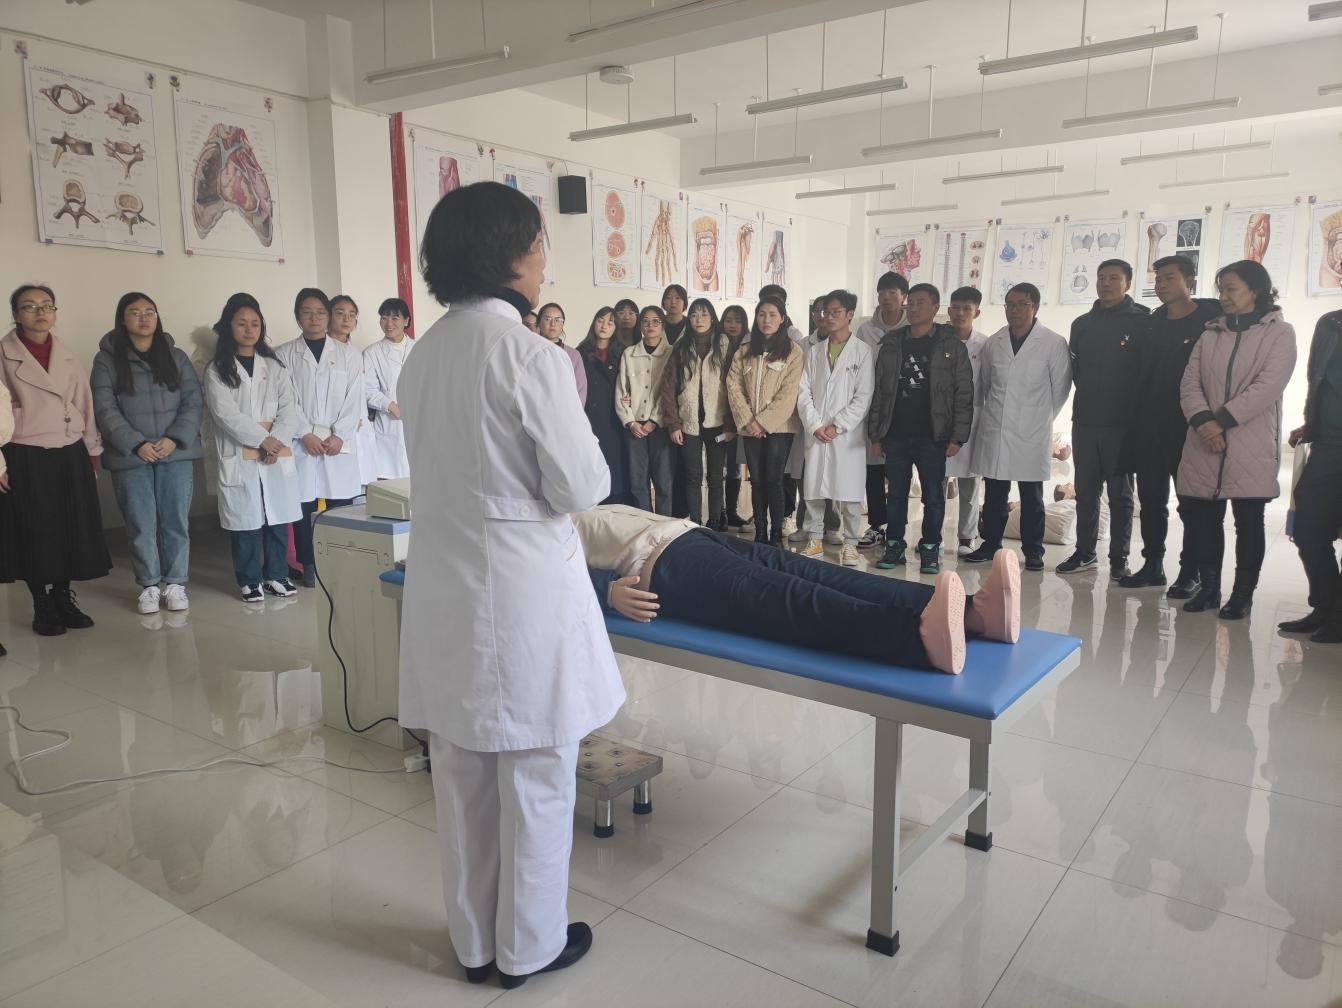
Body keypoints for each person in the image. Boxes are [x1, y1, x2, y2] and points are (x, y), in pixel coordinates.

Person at [398, 180, 619, 988]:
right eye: (537, 245)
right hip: (521, 594)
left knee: (460, 775)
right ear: (509, 257)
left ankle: (474, 945)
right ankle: (529, 947)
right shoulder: (529, 354)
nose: (542, 260)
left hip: (445, 589)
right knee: (536, 774)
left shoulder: (424, 354)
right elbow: (582, 485)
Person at [577, 504, 1026, 677]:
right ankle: (916, 639)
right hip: (663, 569)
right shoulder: (537, 525)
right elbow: (543, 581)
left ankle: (976, 614)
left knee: (818, 573)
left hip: (688, 536)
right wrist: (605, 593)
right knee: (786, 598)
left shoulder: (565, 498)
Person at [1177, 260, 1296, 620]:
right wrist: (1204, 423)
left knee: (1248, 521)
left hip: (1250, 441)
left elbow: (1268, 386)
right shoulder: (1211, 333)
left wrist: (1221, 422)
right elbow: (1189, 383)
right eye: (1221, 289)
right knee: (1204, 519)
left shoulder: (1279, 333)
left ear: (1255, 290)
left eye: (1231, 288)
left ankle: (1242, 595)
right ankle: (1210, 589)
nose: (1224, 296)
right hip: (1204, 440)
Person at [0, 284, 110, 637]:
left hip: (68, 448)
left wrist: (91, 452)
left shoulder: (66, 355)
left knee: (68, 526)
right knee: (35, 529)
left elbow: (85, 405)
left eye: (47, 305)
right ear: (15, 314)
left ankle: (63, 597)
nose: (40, 312)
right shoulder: (4, 354)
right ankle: (42, 604)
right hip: (24, 451)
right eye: (29, 306)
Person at [90, 292, 203, 614]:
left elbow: (193, 401)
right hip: (131, 456)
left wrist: (173, 439)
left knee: (175, 521)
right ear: (122, 319)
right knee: (140, 523)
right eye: (135, 312)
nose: (144, 318)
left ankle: (176, 583)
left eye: (149, 311)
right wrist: (136, 443)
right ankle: (150, 586)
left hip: (174, 453)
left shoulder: (176, 356)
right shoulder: (106, 360)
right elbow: (104, 407)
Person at [1124, 256, 1222, 592]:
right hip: (1149, 425)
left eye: (1169, 278)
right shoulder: (1151, 324)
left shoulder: (1210, 322)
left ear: (1190, 281)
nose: (1161, 285)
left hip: (1190, 427)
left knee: (1190, 504)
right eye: (1158, 279)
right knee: (1151, 502)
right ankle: (1152, 564)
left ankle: (1190, 571)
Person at [963, 283, 1072, 571]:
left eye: (1021, 304)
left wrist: (1037, 418)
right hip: (997, 427)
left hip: (1032, 431)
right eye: (1009, 304)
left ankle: (1033, 551)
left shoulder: (1053, 343)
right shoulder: (994, 342)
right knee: (995, 493)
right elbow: (986, 385)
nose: (1014, 310)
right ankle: (990, 544)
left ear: (1034, 306)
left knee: (1031, 496)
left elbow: (1060, 389)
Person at [202, 293, 303, 603]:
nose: (249, 330)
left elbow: (290, 410)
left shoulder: (274, 367)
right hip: (241, 453)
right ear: (228, 327)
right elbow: (225, 414)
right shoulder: (217, 370)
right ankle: (249, 579)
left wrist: (276, 442)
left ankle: (276, 575)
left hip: (275, 453)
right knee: (245, 521)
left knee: (277, 517)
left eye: (255, 324)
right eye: (242, 323)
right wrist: (263, 440)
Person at [867, 283, 972, 575]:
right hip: (896, 434)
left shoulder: (951, 345)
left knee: (933, 497)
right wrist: (876, 433)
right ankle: (894, 545)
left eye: (920, 302)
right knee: (896, 495)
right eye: (910, 303)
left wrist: (958, 436)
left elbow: (963, 393)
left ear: (935, 308)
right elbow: (880, 392)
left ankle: (930, 548)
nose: (913, 308)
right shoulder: (892, 343)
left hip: (933, 435)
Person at [1058, 259, 1149, 578]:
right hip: (1085, 419)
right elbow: (1076, 370)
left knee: (1121, 494)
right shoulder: (1082, 324)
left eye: (1114, 278)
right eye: (1101, 278)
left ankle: (1119, 558)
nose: (1106, 284)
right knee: (1086, 491)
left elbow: (1146, 372)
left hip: (1123, 424)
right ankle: (1085, 553)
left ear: (1128, 283)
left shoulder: (1142, 322)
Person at [275, 288, 365, 588]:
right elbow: (286, 399)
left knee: (342, 502)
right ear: (297, 317)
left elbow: (355, 398)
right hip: (303, 441)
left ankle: (342, 559)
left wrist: (340, 435)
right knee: (305, 504)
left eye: (320, 312)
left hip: (338, 440)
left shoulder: (349, 355)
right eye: (307, 312)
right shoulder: (283, 355)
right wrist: (304, 433)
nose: (313, 318)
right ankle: (309, 563)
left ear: (328, 317)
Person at [796, 290, 874, 567]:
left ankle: (851, 543)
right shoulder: (814, 352)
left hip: (846, 436)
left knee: (850, 493)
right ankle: (815, 539)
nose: (828, 317)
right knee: (814, 490)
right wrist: (815, 424)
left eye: (835, 312)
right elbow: (803, 392)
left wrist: (838, 426)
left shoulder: (862, 352)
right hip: (817, 432)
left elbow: (863, 396)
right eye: (825, 312)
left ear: (850, 314)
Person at [1280, 307, 1342, 643]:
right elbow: (1316, 381)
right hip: (1329, 443)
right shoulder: (1330, 323)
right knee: (1307, 528)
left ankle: (1338, 616)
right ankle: (1325, 607)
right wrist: (1311, 423)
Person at [727, 295, 803, 546]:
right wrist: (748, 421)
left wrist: (762, 423)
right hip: (749, 428)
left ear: (782, 319)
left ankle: (775, 535)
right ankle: (760, 532)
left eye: (772, 315)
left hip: (779, 427)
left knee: (774, 480)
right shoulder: (745, 351)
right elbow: (733, 387)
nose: (766, 320)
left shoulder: (793, 352)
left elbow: (789, 393)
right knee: (757, 481)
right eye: (761, 314)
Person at [659, 298, 735, 529]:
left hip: (718, 422)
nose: (698, 319)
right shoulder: (681, 347)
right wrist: (673, 424)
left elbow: (733, 386)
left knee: (715, 477)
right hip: (688, 422)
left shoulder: (725, 345)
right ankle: (695, 523)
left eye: (704, 314)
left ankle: (714, 523)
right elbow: (668, 388)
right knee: (693, 477)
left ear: (712, 318)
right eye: (693, 315)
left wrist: (731, 424)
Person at [856, 272, 909, 550]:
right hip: (873, 407)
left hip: (904, 408)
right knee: (873, 469)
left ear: (903, 296)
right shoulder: (865, 330)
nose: (886, 298)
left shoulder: (913, 327)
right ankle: (876, 525)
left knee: (898, 471)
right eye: (882, 293)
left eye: (892, 292)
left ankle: (897, 528)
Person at [943, 287, 990, 557]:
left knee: (970, 482)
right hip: (940, 418)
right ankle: (933, 534)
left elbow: (988, 384)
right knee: (935, 480)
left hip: (972, 418)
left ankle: (967, 537)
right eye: (956, 307)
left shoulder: (985, 345)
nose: (960, 313)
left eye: (967, 309)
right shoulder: (938, 340)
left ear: (977, 312)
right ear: (949, 310)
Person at [616, 306, 674, 514]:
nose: (650, 325)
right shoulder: (629, 354)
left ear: (662, 326)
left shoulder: (671, 353)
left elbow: (669, 392)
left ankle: (664, 526)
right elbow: (621, 391)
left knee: (663, 481)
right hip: (635, 427)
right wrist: (630, 422)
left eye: (655, 321)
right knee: (638, 482)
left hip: (660, 426)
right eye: (646, 321)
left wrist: (654, 420)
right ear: (640, 326)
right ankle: (644, 523)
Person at [578, 307, 631, 505]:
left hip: (614, 418)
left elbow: (630, 384)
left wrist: (630, 397)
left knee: (615, 468)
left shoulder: (623, 353)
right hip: (589, 418)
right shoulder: (581, 352)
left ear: (615, 328)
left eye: (610, 322)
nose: (604, 326)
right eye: (600, 320)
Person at [362, 297, 413, 481]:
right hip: (387, 425)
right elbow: (367, 389)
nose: (389, 323)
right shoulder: (372, 352)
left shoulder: (419, 348)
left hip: (417, 423)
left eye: (394, 318)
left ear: (406, 321)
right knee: (389, 482)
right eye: (384, 318)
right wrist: (391, 406)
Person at [720, 304, 754, 530]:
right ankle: (719, 513)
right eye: (728, 320)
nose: (732, 325)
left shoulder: (749, 348)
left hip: (740, 416)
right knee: (716, 467)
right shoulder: (716, 345)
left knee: (733, 465)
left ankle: (731, 512)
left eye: (738, 321)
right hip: (716, 414)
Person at [536, 302, 586, 405]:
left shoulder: (573, 355)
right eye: (547, 319)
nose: (553, 324)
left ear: (563, 324)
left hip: (566, 409)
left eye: (558, 320)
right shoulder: (531, 350)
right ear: (539, 323)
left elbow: (581, 390)